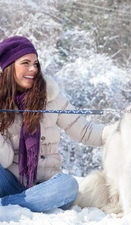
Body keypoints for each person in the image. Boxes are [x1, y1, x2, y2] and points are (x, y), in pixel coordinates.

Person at [0, 36, 109, 212]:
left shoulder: (50, 97)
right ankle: (23, 203)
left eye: (35, 63)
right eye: (25, 63)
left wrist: (119, 131)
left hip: (48, 186)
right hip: (11, 181)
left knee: (69, 185)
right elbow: (4, 161)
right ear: (9, 67)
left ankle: (7, 205)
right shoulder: (2, 103)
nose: (33, 69)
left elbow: (85, 131)